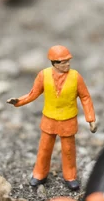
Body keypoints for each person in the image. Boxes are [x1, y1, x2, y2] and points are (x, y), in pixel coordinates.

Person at [7, 45, 97, 191]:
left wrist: (90, 119)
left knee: (68, 150)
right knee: (44, 148)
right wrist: (18, 101)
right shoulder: (44, 75)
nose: (67, 64)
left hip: (68, 119)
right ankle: (39, 174)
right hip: (49, 119)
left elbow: (85, 97)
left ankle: (70, 176)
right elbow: (33, 93)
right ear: (54, 63)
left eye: (68, 61)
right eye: (63, 62)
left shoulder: (75, 77)